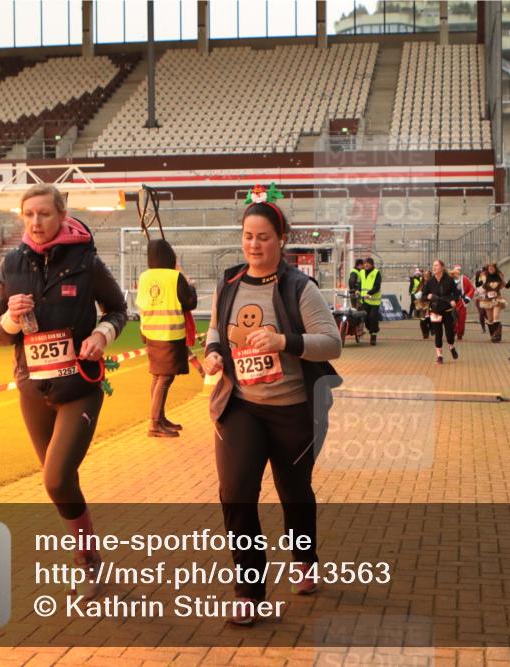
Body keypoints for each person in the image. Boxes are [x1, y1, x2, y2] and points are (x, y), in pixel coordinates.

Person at [202, 184, 343, 625]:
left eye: (263, 237)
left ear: (280, 239)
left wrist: (285, 341)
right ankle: (249, 591)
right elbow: (214, 334)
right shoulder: (228, 283)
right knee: (236, 494)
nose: (254, 245)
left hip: (293, 411)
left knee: (294, 493)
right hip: (241, 405)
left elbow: (332, 344)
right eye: (248, 236)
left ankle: (304, 559)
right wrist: (212, 355)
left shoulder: (300, 288)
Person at [0, 184, 127, 598]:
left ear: (62, 215)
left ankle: (87, 561)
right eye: (28, 214)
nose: (36, 221)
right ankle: (89, 557)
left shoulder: (86, 261)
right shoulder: (11, 263)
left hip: (80, 385)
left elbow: (119, 309)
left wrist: (103, 334)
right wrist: (12, 321)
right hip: (34, 389)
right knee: (62, 482)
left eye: (44, 214)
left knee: (55, 477)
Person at [136, 239, 198, 438]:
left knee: (157, 376)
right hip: (169, 333)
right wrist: (190, 285)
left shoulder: (144, 277)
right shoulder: (175, 276)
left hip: (150, 332)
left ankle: (160, 417)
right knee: (165, 377)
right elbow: (189, 303)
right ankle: (155, 423)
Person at [420, 260, 460, 363]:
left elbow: (456, 294)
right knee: (438, 334)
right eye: (433, 265)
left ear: (442, 267)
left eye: (436, 265)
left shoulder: (449, 280)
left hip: (447, 310)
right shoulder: (430, 282)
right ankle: (439, 356)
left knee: (449, 334)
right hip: (435, 311)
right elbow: (423, 296)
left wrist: (453, 301)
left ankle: (451, 346)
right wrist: (427, 296)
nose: (434, 267)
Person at [476, 263, 510, 343]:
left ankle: (497, 335)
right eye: (489, 269)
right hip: (487, 300)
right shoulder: (485, 277)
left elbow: (506, 286)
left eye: (492, 268)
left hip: (497, 299)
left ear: (495, 269)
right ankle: (493, 335)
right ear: (487, 270)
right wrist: (477, 276)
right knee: (490, 319)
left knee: (495, 317)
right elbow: (478, 285)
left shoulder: (499, 276)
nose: (491, 270)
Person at [360, 257, 382, 346]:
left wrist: (369, 293)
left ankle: (373, 336)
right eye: (365, 263)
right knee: (366, 319)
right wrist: (357, 290)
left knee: (373, 318)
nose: (366, 264)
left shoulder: (376, 273)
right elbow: (360, 284)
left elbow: (377, 286)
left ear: (372, 264)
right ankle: (373, 329)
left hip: (374, 301)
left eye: (368, 263)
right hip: (364, 300)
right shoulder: (361, 272)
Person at [449, 264, 474, 342]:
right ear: (453, 270)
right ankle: (452, 332)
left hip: (461, 302)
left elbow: (471, 289)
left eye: (459, 270)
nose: (458, 271)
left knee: (461, 319)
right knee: (450, 319)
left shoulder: (464, 279)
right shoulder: (449, 279)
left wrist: (467, 297)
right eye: (457, 269)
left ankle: (460, 334)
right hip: (451, 301)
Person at [415, 269, 433, 339]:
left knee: (430, 319)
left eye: (427, 275)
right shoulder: (421, 283)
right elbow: (416, 292)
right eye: (424, 275)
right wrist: (417, 295)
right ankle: (425, 333)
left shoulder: (432, 284)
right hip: (422, 304)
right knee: (422, 320)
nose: (426, 276)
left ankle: (431, 330)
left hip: (430, 304)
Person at [474, 267, 487, 334]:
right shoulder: (478, 281)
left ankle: (492, 325)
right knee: (481, 313)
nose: (482, 273)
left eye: (483, 272)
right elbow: (475, 291)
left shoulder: (488, 280)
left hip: (487, 299)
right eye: (481, 272)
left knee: (486, 314)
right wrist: (477, 295)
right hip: (479, 299)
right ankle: (483, 328)